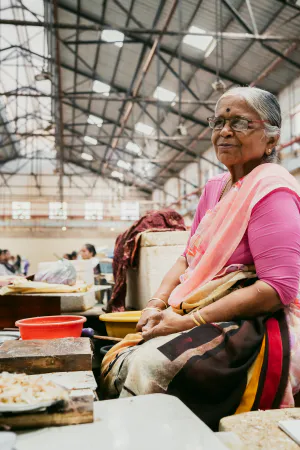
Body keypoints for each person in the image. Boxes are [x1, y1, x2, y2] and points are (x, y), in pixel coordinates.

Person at [101, 87, 300, 430]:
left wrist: (186, 323)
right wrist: (155, 303)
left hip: (260, 320)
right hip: (205, 311)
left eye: (239, 122)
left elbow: (276, 288)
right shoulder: (214, 188)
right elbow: (188, 258)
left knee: (151, 364)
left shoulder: (272, 188)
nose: (224, 131)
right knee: (121, 354)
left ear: (271, 140)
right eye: (219, 121)